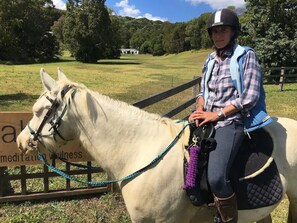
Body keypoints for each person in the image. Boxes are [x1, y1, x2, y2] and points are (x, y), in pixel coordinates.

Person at [188, 8, 271, 223]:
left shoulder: (246, 56)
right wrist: (199, 108)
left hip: (231, 122)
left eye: (223, 30)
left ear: (233, 32)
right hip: (207, 118)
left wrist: (217, 114)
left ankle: (228, 220)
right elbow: (203, 92)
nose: (218, 35)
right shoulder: (209, 61)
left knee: (216, 177)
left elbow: (249, 96)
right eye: (214, 31)